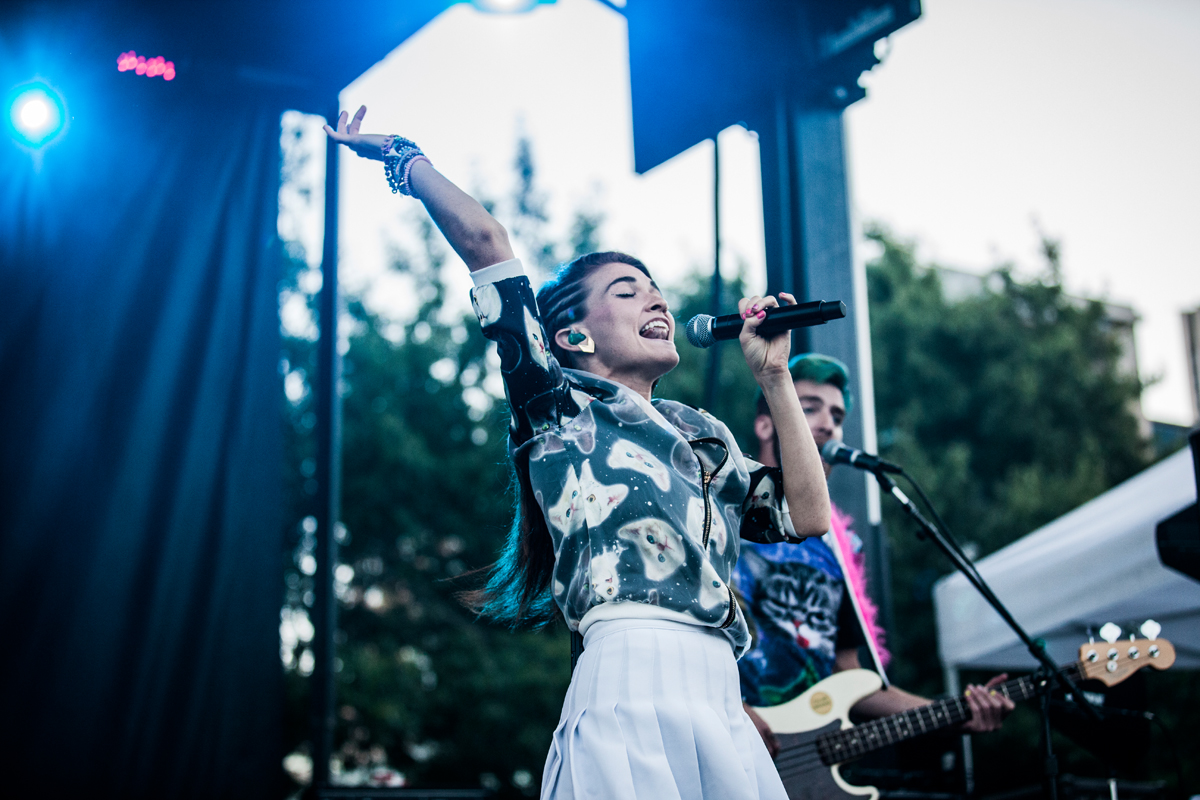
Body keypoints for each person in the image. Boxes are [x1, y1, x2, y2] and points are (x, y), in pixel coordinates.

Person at [325, 106, 832, 800]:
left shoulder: (702, 432)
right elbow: (485, 241)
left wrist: (775, 377)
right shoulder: (558, 407)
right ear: (572, 338)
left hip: (721, 688)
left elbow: (808, 514)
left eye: (656, 291)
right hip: (628, 674)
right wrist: (401, 156)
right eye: (628, 292)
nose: (656, 301)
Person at [734, 353, 1014, 758]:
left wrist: (957, 715)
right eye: (809, 408)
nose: (828, 424)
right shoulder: (725, 510)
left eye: (837, 415)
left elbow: (850, 679)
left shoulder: (840, 547)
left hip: (799, 761)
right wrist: (734, 709)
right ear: (765, 424)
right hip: (726, 740)